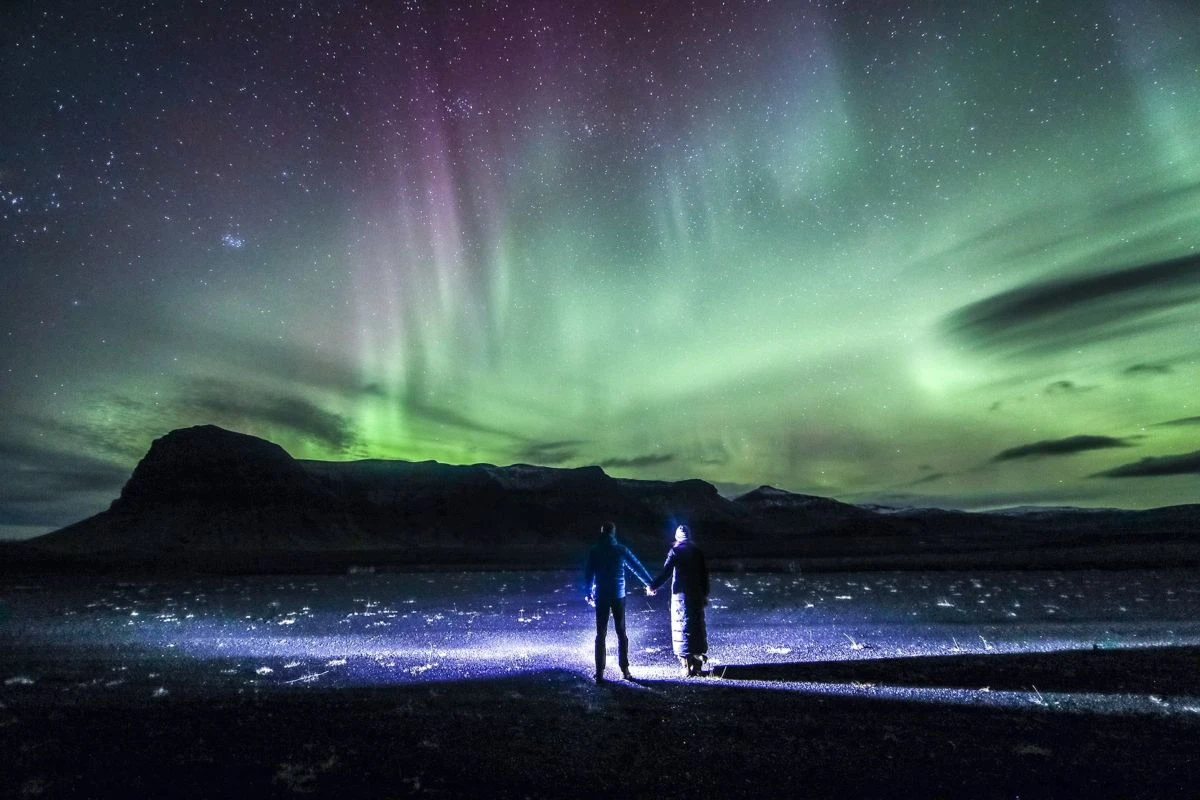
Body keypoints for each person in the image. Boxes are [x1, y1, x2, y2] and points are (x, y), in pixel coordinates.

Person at [582, 521, 654, 684]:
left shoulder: (595, 551)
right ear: (613, 533)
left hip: (601, 595)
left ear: (602, 533)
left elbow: (589, 573)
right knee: (621, 632)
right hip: (618, 594)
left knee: (601, 634)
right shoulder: (621, 550)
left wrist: (588, 592)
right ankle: (625, 670)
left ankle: (599, 673)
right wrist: (650, 583)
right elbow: (636, 567)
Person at [647, 524, 710, 677]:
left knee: (681, 627)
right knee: (695, 625)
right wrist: (704, 594)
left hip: (680, 595)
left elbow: (666, 572)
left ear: (677, 537)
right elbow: (704, 576)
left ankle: (686, 665)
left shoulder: (675, 552)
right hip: (696, 594)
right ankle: (697, 663)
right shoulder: (697, 552)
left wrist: (653, 586)